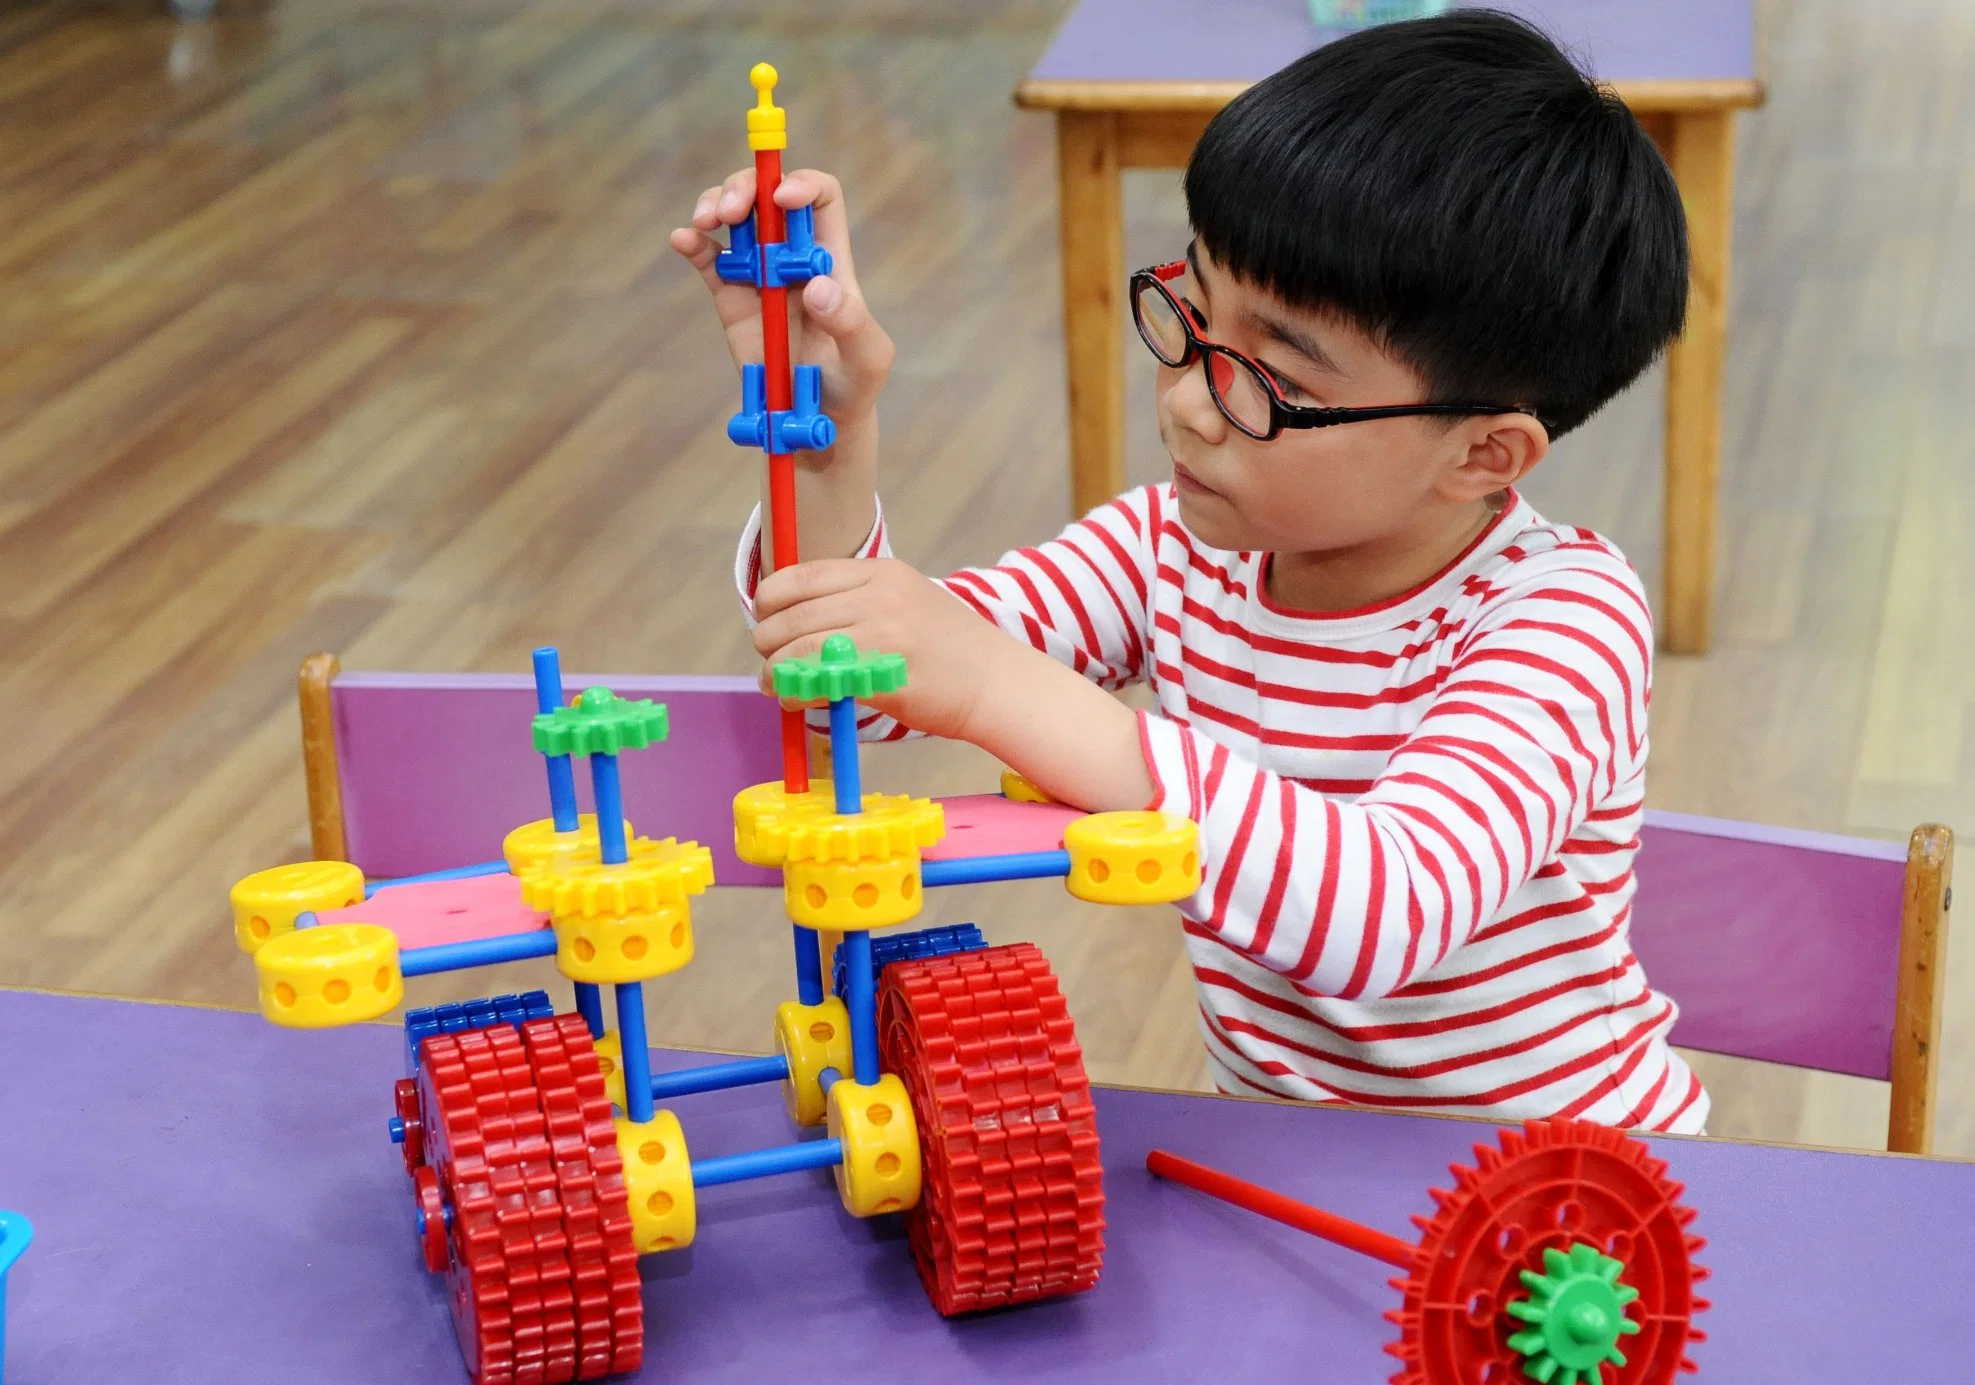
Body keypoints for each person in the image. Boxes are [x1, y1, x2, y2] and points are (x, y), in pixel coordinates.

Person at [669, 11, 1706, 1131]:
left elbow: (1379, 908)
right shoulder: (1171, 549)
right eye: (1194, 313)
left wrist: (994, 686)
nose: (1186, 403)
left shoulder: (1562, 617)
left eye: (1272, 374)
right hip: (1290, 1163)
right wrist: (826, 433)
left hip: (1573, 1202)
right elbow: (863, 680)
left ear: (1482, 454)